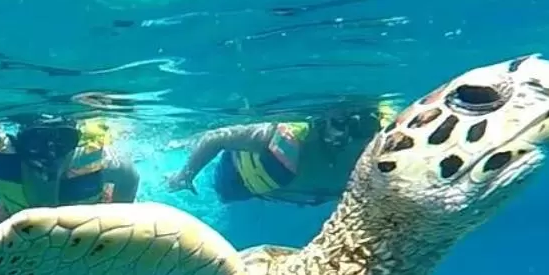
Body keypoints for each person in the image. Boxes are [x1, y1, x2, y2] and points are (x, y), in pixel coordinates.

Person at [166, 101, 398, 207]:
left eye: (366, 124)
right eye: (341, 122)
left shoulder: (386, 148)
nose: (349, 134)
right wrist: (185, 176)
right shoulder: (294, 137)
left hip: (290, 188)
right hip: (237, 177)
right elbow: (216, 137)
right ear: (325, 122)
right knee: (224, 194)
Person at [0, 117, 140, 236]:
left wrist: (115, 224)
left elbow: (131, 178)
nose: (50, 153)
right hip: (11, 214)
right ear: (20, 142)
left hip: (89, 214)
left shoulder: (96, 159)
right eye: (36, 142)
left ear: (76, 142)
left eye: (62, 140)